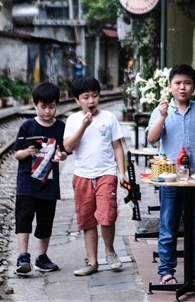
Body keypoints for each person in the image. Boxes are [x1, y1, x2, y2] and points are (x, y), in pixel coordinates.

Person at [146, 64, 195, 287]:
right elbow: (152, 138)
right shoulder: (161, 110)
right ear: (169, 86)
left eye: (187, 83)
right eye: (178, 83)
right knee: (168, 224)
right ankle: (166, 271)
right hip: (170, 178)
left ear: (194, 87)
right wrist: (162, 116)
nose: (182, 87)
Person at [63, 77, 127, 276]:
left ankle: (110, 252)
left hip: (106, 173)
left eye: (95, 96)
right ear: (77, 100)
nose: (91, 101)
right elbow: (68, 147)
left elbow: (117, 146)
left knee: (107, 215)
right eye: (86, 97)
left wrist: (121, 172)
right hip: (82, 176)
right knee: (87, 219)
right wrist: (83, 125)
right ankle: (92, 262)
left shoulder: (108, 118)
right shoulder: (73, 120)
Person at [13, 82, 68, 274]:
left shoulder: (60, 127)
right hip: (26, 183)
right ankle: (23, 256)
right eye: (43, 107)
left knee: (46, 221)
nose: (47, 111)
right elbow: (16, 154)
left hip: (49, 184)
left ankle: (42, 257)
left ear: (57, 105)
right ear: (34, 105)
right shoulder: (27, 126)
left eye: (51, 106)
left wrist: (62, 156)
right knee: (24, 218)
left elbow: (64, 151)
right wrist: (27, 152)